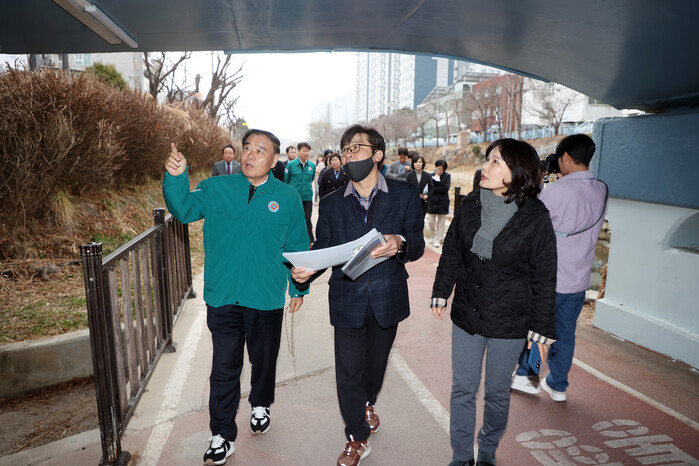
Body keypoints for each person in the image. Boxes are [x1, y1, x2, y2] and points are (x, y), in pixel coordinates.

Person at [163, 129, 310, 465]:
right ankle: (222, 434)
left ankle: (261, 404)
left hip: (265, 296)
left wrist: (298, 288)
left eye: (260, 150)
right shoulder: (216, 188)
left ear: (275, 159)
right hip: (224, 295)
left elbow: (297, 246)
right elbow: (184, 209)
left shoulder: (287, 198)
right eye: (247, 148)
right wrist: (176, 178)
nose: (250, 155)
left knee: (263, 360)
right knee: (224, 367)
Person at [292, 124, 425, 466]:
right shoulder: (332, 204)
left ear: (377, 155)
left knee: (375, 366)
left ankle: (368, 402)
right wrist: (308, 270)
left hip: (387, 297)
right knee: (348, 370)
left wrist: (399, 243)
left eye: (357, 148)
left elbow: (417, 244)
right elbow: (324, 248)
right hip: (347, 298)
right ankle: (356, 436)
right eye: (345, 150)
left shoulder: (405, 194)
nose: (349, 155)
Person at [430, 138, 557, 466]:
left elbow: (544, 275)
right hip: (467, 314)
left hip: (509, 320)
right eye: (487, 159)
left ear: (516, 172)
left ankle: (487, 448)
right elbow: (452, 251)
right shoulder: (472, 203)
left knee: (497, 392)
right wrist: (441, 290)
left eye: (495, 161)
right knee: (463, 389)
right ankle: (461, 455)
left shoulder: (535, 216)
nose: (484, 167)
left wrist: (541, 328)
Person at [511, 134, 607, 402]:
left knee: (536, 327)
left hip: (548, 278)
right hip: (578, 280)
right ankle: (558, 385)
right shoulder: (602, 190)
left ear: (565, 157)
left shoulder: (554, 192)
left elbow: (527, 223)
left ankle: (528, 375)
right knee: (565, 334)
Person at [285, 142, 316, 243]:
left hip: (307, 197)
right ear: (298, 151)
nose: (306, 153)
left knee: (307, 218)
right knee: (294, 219)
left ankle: (309, 241)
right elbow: (287, 180)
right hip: (294, 198)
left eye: (307, 151)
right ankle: (292, 240)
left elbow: (311, 179)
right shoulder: (290, 165)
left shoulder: (312, 165)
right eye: (303, 151)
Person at [426, 159, 451, 248]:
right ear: (435, 168)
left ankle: (437, 239)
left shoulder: (447, 176)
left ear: (444, 170)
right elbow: (429, 187)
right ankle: (432, 236)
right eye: (438, 168)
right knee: (431, 222)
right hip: (432, 201)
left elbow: (446, 188)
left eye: (441, 169)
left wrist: (436, 184)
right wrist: (438, 185)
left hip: (443, 202)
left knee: (441, 223)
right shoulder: (430, 175)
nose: (439, 171)